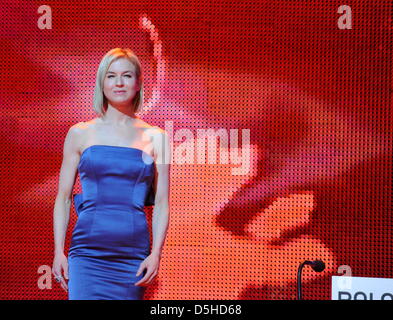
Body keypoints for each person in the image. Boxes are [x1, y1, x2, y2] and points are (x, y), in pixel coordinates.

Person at [52, 48, 171, 300]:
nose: (119, 83)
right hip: (87, 253)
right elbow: (62, 198)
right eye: (111, 76)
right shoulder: (79, 133)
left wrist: (156, 253)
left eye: (127, 76)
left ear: (138, 83)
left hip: (132, 255)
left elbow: (161, 203)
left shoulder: (157, 137)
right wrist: (58, 252)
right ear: (101, 83)